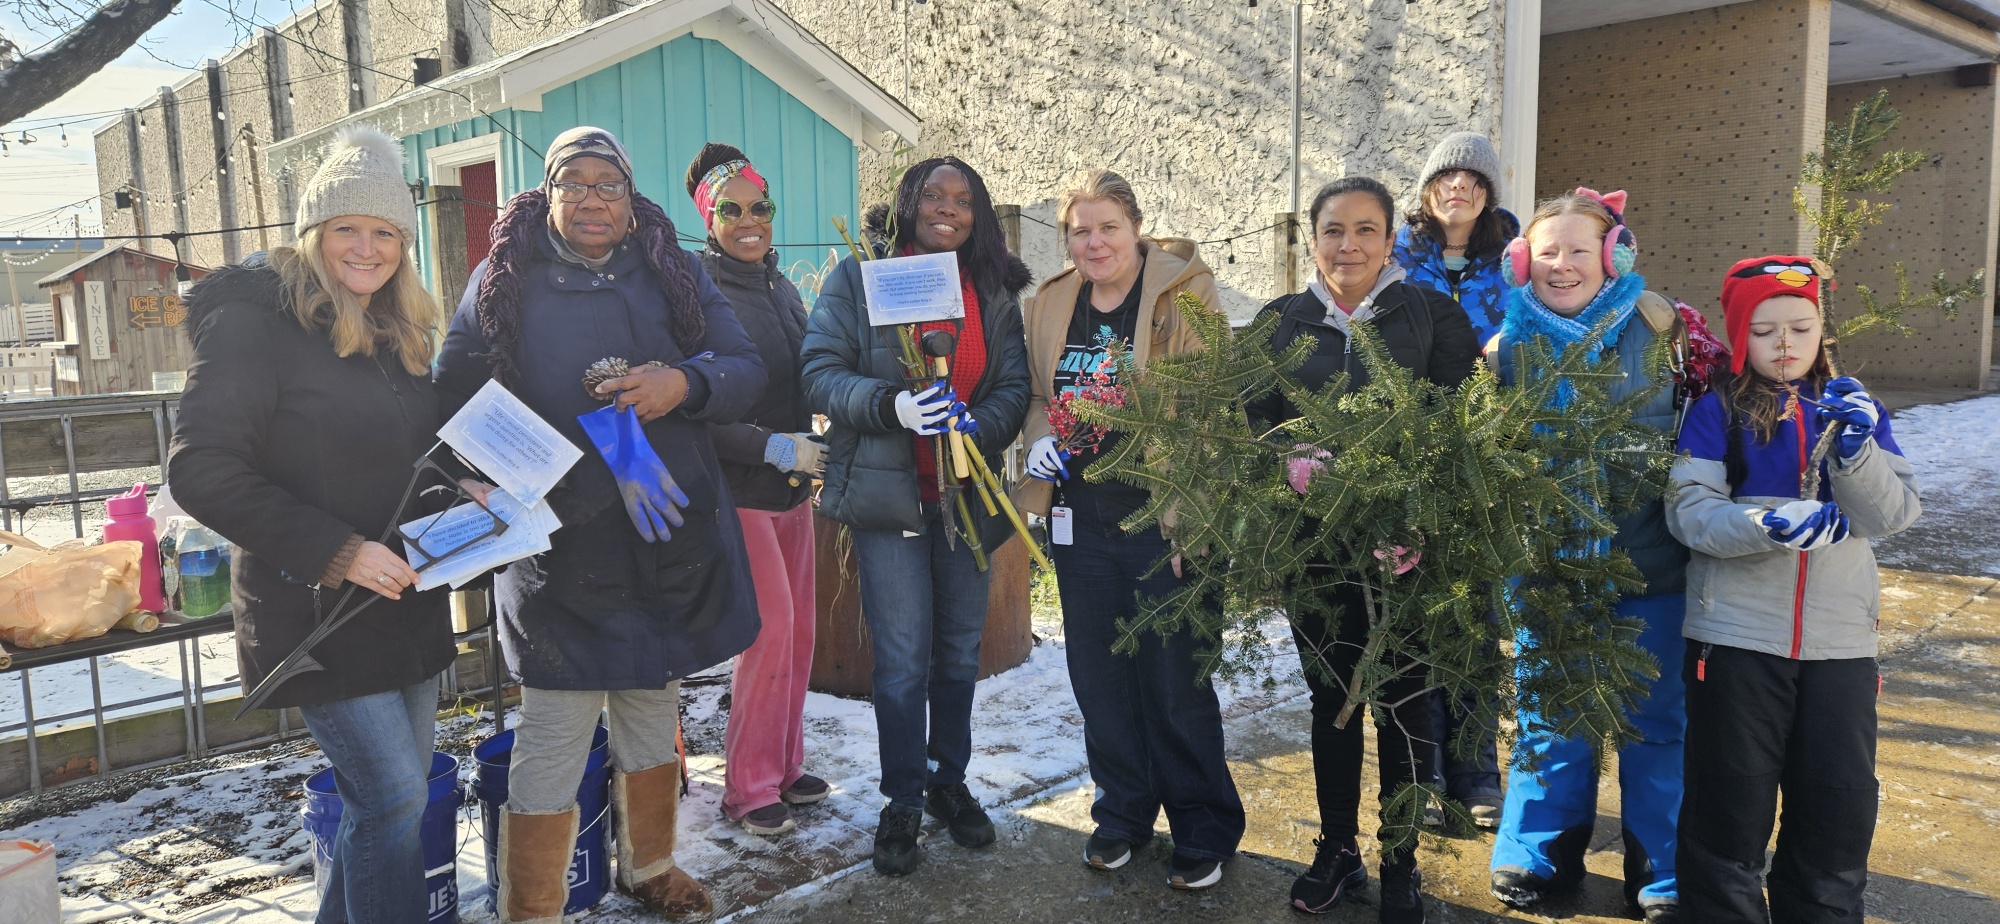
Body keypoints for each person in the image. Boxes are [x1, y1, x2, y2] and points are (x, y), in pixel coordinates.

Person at [433, 127, 767, 924]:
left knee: (653, 706)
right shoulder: (503, 279)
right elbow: (450, 397)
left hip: (664, 534)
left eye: (606, 184)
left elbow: (746, 368)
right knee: (555, 728)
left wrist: (680, 384)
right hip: (561, 547)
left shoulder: (675, 270)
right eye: (573, 183)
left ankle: (650, 865)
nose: (591, 198)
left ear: (630, 195)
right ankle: (533, 908)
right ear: (547, 193)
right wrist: (499, 476)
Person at [169, 126, 452, 924]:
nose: (367, 248)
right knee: (393, 797)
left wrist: (463, 479)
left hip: (404, 599)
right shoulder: (254, 326)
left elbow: (404, 451)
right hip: (316, 611)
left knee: (386, 808)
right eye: (346, 229)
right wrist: (338, 551)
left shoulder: (396, 330)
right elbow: (201, 468)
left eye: (385, 233)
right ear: (313, 233)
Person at [1248, 177, 1479, 923]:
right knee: (1333, 704)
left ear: (1389, 240)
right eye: (1334, 230)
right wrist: (1285, 464)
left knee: (1407, 706)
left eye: (1366, 230)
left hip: (1402, 552)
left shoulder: (1430, 317)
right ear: (1311, 239)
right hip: (1315, 553)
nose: (1349, 245)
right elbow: (1251, 427)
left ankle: (1401, 859)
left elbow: (1460, 430)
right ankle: (1339, 849)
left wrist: (1416, 520)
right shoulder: (1281, 324)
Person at [1666, 255, 1919, 923]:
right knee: (1730, 803)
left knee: (1837, 804)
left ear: (1820, 332)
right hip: (1737, 641)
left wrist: (1859, 450)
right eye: (1765, 330)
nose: (1785, 344)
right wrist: (1765, 524)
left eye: (1800, 328)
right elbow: (1689, 512)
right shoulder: (1714, 411)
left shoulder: (1854, 410)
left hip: (1840, 648)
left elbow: (1889, 517)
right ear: (1739, 336)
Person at [800, 156, 1032, 876]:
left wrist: (973, 429)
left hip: (964, 498)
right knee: (901, 664)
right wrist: (891, 405)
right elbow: (819, 369)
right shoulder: (860, 279)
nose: (948, 209)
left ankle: (947, 782)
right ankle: (901, 797)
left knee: (958, 653)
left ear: (978, 215)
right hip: (890, 499)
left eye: (963, 200)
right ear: (908, 203)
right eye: (934, 195)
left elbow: (1015, 385)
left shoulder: (988, 289)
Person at [1014, 169, 1245, 890]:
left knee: (1173, 679)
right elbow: (1038, 396)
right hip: (1080, 518)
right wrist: (1037, 444)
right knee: (1100, 678)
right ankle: (1122, 814)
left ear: (1135, 227)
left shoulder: (1185, 294)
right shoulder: (1052, 303)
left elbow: (1207, 413)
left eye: (1108, 226)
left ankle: (1203, 824)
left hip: (1160, 517)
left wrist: (1192, 524)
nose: (1094, 242)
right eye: (1079, 230)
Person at [1484, 189, 1696, 924]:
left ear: (1615, 255)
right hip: (1551, 569)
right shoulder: (1505, 348)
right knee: (1551, 712)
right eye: (1547, 251)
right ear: (1521, 263)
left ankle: (1662, 862)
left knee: (1657, 719)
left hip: (1651, 565)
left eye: (1580, 249)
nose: (1563, 264)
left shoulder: (1659, 326)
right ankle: (1540, 844)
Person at [683, 143, 829, 836]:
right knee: (767, 636)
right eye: (730, 209)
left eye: (760, 206)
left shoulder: (782, 287)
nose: (749, 220)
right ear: (708, 219)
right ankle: (747, 786)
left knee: (800, 635)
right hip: (741, 488)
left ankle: (785, 764)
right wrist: (769, 445)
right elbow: (695, 410)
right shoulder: (697, 295)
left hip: (795, 486)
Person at [1393, 132, 1518, 827]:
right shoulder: (1399, 259)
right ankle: (1426, 770)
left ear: (1488, 191)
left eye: (1472, 178)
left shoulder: (1516, 260)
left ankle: (1477, 775)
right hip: (1416, 451)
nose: (1457, 188)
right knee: (1418, 616)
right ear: (1427, 189)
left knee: (1474, 615)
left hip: (1488, 456)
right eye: (1445, 177)